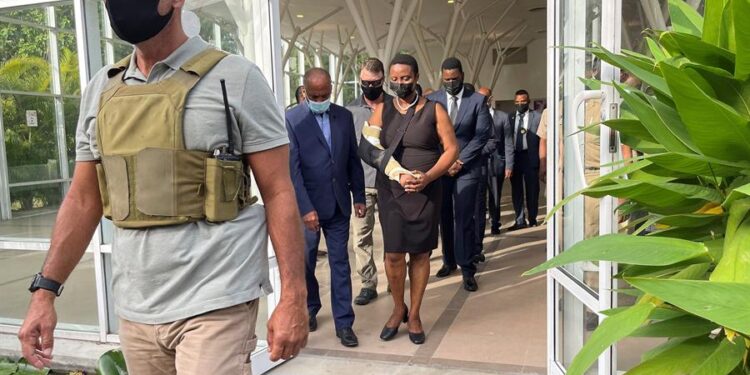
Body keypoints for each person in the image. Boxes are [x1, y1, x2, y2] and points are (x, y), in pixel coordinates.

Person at [18, 1, 308, 373]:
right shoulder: (102, 89)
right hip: (136, 307)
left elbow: (279, 191)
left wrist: (294, 297)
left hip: (216, 299)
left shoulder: (236, 78)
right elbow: (83, 198)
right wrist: (44, 292)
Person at [367, 53, 458, 344]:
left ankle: (415, 314)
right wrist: (398, 174)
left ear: (416, 77)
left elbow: (451, 149)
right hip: (392, 191)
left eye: (405, 78)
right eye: (394, 78)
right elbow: (367, 147)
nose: (399, 83)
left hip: (426, 191)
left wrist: (429, 177)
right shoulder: (383, 109)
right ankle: (398, 309)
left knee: (420, 254)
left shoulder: (435, 110)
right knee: (393, 254)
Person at [286, 67, 366, 348]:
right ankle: (311, 305)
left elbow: (352, 160)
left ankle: (344, 322)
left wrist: (359, 197)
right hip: (308, 207)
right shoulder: (292, 119)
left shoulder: (343, 116)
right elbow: (292, 170)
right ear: (305, 92)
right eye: (315, 95)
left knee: (340, 263)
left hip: (338, 204)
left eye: (326, 94)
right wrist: (305, 208)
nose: (321, 99)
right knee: (307, 260)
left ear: (331, 89)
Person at [427, 57, 490, 292]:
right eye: (446, 79)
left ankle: (467, 269)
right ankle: (448, 261)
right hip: (440, 169)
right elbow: (429, 135)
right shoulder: (432, 100)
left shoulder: (477, 101)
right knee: (444, 217)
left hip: (467, 168)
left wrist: (459, 160)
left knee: (464, 218)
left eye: (454, 79)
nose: (450, 83)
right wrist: (444, 163)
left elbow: (481, 136)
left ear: (462, 76)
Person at [346, 58, 390, 306]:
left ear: (382, 80)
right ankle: (367, 283)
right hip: (362, 185)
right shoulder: (350, 110)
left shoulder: (395, 106)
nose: (369, 87)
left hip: (390, 182)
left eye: (374, 83)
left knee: (393, 235)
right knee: (361, 237)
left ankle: (394, 279)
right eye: (365, 82)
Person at [474, 87, 513, 262]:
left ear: (490, 98)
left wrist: (509, 165)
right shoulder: (472, 114)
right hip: (478, 163)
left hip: (496, 161)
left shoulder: (502, 117)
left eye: (485, 97)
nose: (482, 100)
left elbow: (508, 142)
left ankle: (495, 223)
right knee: (480, 199)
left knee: (495, 196)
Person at [508, 89, 542, 230]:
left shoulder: (537, 116)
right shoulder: (509, 117)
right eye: (518, 102)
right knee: (516, 190)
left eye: (523, 101)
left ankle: (532, 218)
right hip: (515, 157)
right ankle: (519, 220)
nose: (520, 104)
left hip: (530, 156)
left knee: (532, 189)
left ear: (528, 101)